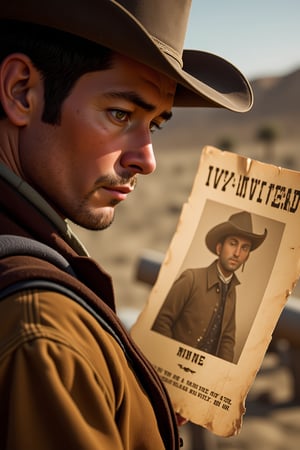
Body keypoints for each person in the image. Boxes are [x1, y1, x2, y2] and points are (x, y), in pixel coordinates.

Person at [0, 1, 253, 448]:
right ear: (22, 92)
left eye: (153, 125)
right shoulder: (43, 336)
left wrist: (131, 392)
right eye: (120, 114)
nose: (147, 160)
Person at [152, 211, 267, 363]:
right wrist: (171, 360)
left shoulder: (232, 292)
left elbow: (227, 340)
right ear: (219, 248)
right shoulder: (191, 278)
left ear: (247, 256)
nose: (237, 253)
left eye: (244, 248)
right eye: (233, 244)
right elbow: (162, 322)